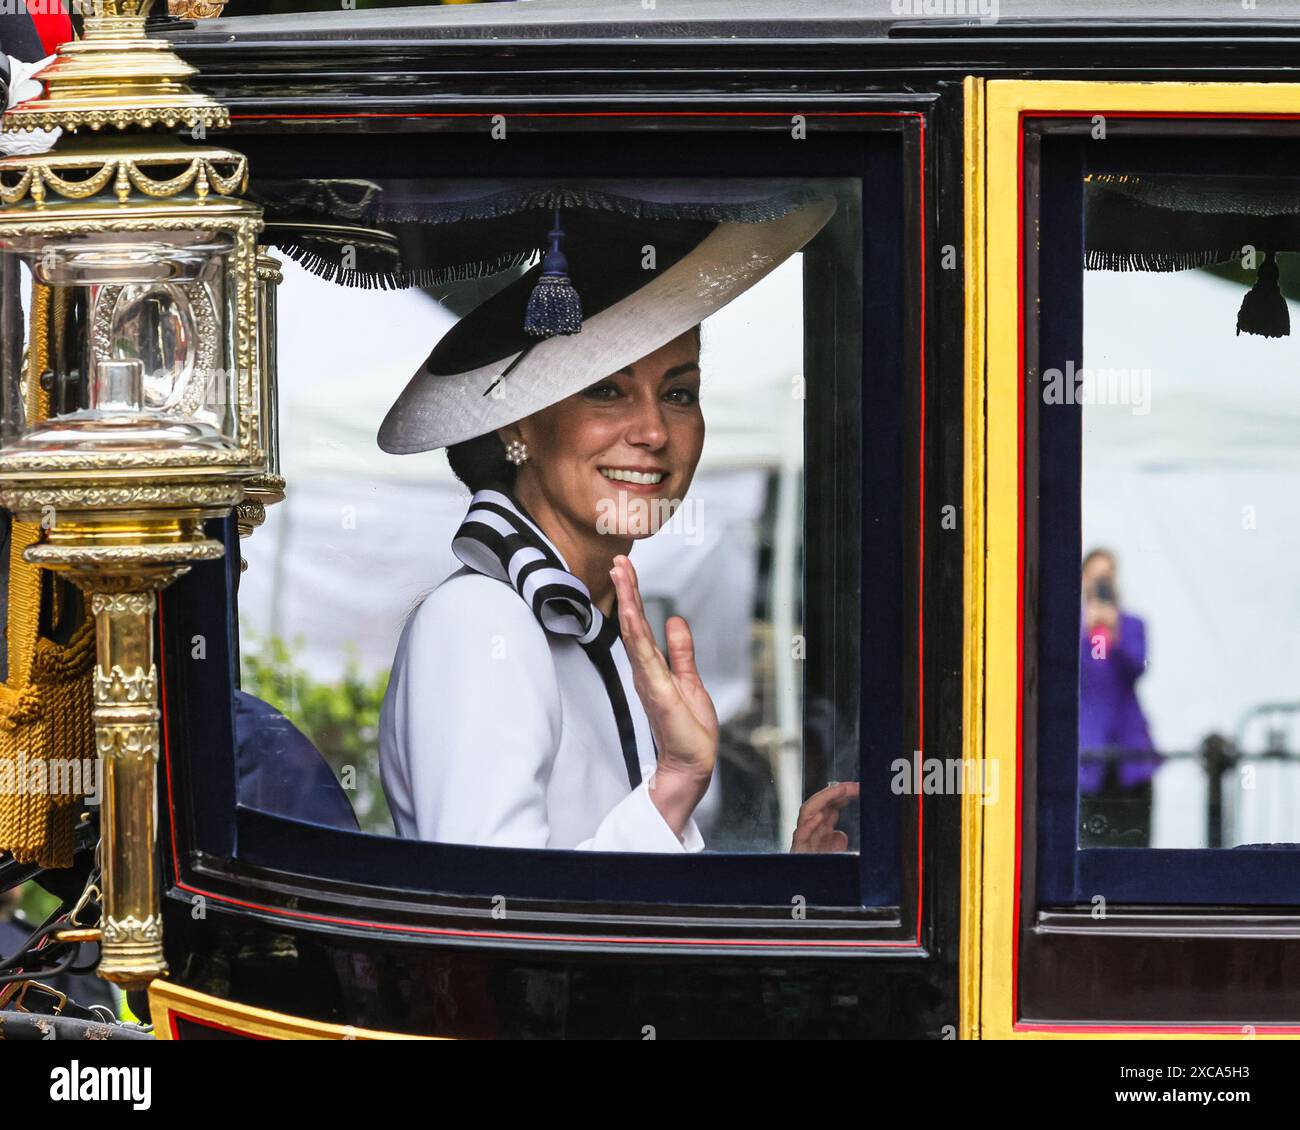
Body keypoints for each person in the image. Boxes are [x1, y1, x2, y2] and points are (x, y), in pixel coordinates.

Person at [377, 190, 858, 853]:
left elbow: (630, 899)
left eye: (679, 393)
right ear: (520, 427)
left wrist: (789, 885)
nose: (655, 431)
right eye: (607, 390)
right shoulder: (483, 621)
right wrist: (677, 781)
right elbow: (504, 921)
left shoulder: (591, 625)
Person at [1078, 547, 1159, 846]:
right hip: (1089, 757)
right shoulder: (1074, 628)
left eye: (1108, 575)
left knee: (1134, 845)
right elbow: (1068, 672)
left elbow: (1136, 667)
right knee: (1091, 849)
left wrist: (1115, 633)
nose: (1102, 581)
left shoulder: (1131, 625)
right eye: (1096, 575)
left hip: (1130, 755)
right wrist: (1088, 631)